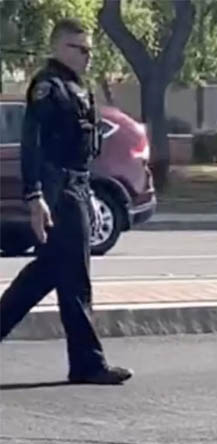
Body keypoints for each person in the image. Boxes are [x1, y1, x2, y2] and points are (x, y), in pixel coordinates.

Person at [0, 19, 132, 385]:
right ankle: (87, 363)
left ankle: (86, 362)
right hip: (58, 190)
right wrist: (35, 196)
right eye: (79, 48)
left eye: (90, 50)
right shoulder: (49, 87)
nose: (87, 56)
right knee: (74, 278)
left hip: (75, 186)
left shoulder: (77, 87)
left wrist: (87, 192)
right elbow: (33, 144)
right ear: (58, 47)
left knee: (46, 275)